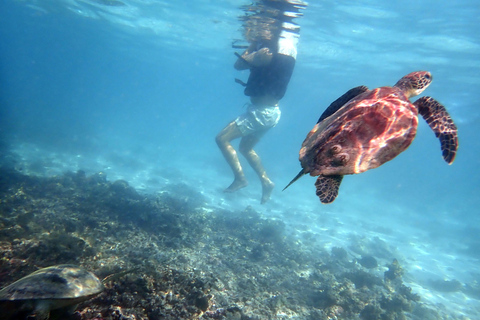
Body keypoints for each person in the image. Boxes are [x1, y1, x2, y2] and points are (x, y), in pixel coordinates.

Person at [215, 31, 298, 204]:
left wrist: (253, 45)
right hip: (270, 112)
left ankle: (240, 179)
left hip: (262, 113)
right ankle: (266, 182)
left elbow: (239, 65)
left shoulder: (268, 50)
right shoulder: (278, 49)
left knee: (222, 139)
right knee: (245, 148)